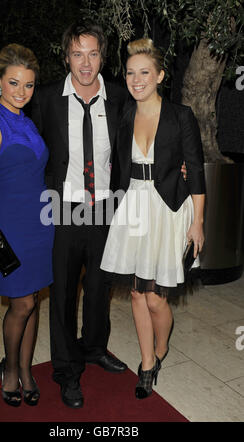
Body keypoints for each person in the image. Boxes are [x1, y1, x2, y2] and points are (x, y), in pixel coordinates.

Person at [100, 38, 206, 399]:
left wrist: (198, 223)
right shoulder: (125, 114)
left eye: (145, 72)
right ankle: (147, 363)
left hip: (168, 208)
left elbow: (195, 169)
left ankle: (161, 347)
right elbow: (116, 163)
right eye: (130, 73)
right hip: (133, 204)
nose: (137, 79)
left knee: (156, 297)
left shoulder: (181, 116)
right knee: (135, 292)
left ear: (160, 75)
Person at [32, 21, 129, 409]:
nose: (85, 63)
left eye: (92, 53)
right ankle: (67, 371)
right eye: (77, 54)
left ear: (103, 56)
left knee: (101, 287)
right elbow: (29, 149)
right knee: (64, 292)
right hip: (63, 208)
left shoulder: (120, 97)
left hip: (105, 206)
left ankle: (93, 348)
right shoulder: (46, 99)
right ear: (66, 56)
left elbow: (144, 137)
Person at [0, 44, 54, 407]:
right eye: (14, 83)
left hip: (39, 225)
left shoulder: (28, 122)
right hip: (7, 227)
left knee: (33, 298)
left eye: (30, 85)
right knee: (20, 302)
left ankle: (25, 369)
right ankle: (9, 370)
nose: (22, 92)